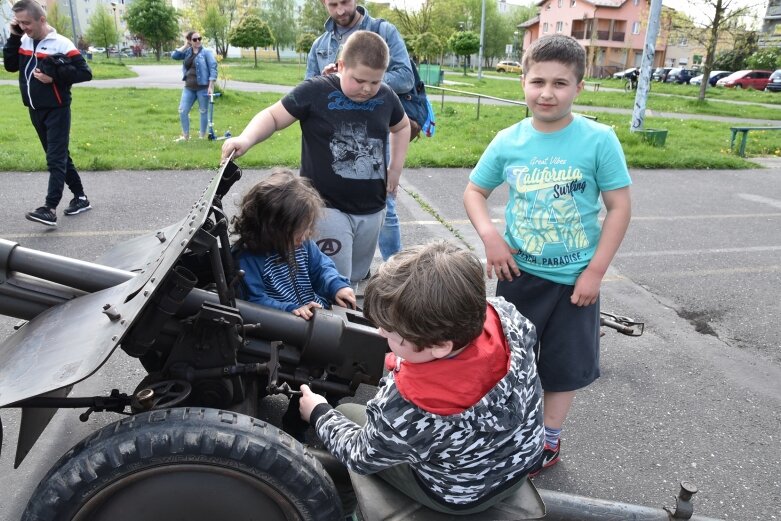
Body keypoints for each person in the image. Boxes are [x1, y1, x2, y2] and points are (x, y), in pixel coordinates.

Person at [463, 34, 632, 477]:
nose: (547, 93)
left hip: (576, 283)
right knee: (506, 362)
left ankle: (548, 440)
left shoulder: (599, 140)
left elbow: (619, 208)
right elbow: (475, 192)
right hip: (518, 276)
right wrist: (490, 237)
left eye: (561, 83)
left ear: (579, 86)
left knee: (562, 367)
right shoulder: (508, 140)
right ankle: (507, 432)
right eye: (538, 81)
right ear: (523, 81)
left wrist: (595, 271)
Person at [298, 241, 544, 516]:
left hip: (460, 493)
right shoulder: (505, 315)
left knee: (344, 414)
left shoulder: (409, 405)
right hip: (522, 461)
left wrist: (318, 412)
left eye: (392, 334)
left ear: (440, 347)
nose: (382, 334)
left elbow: (361, 455)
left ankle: (344, 511)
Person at [221, 31, 410, 287]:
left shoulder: (386, 96)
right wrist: (245, 139)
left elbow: (401, 127)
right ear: (341, 65)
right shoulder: (315, 91)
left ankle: (346, 312)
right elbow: (273, 117)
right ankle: (330, 319)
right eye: (359, 80)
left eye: (375, 82)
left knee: (355, 275)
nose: (367, 89)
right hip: (325, 206)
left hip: (372, 208)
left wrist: (395, 169)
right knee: (332, 276)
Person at [306, 0, 415, 262]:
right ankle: (347, 269)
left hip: (374, 135)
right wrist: (331, 81)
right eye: (333, 4)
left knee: (384, 205)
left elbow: (405, 77)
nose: (340, 10)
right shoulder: (320, 45)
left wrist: (361, 80)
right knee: (330, 211)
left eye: (345, 2)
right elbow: (308, 88)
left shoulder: (383, 31)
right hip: (335, 141)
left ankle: (394, 270)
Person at [3, 0, 92, 227]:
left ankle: (49, 208)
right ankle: (80, 197)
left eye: (27, 23)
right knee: (59, 156)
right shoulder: (23, 39)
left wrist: (55, 77)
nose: (23, 27)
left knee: (55, 158)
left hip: (57, 109)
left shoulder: (61, 43)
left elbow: (84, 73)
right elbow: (11, 66)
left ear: (41, 19)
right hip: (35, 110)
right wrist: (13, 36)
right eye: (19, 23)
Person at [232, 168, 356, 319]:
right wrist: (291, 309)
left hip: (317, 313)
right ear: (272, 229)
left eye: (307, 228)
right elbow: (255, 301)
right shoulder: (249, 259)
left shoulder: (304, 246)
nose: (304, 237)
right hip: (286, 325)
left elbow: (322, 268)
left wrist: (336, 285)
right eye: (298, 233)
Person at [171, 30, 217, 141]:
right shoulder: (187, 52)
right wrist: (185, 45)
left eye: (199, 38)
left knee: (203, 111)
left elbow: (213, 68)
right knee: (182, 110)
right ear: (190, 41)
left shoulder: (206, 52)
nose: (198, 41)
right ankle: (185, 136)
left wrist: (211, 86)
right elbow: (175, 56)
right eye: (195, 39)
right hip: (189, 88)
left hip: (203, 88)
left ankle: (202, 136)